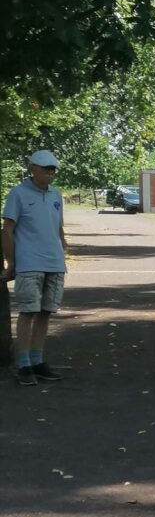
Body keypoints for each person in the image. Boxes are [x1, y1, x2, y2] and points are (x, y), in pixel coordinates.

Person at [1, 151, 68, 386]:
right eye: (45, 168)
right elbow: (7, 229)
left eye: (53, 169)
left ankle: (38, 361)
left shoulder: (56, 195)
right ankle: (23, 364)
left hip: (55, 263)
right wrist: (11, 263)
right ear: (32, 168)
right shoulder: (18, 194)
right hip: (29, 263)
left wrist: (63, 253)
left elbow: (58, 228)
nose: (50, 173)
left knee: (45, 313)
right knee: (28, 312)